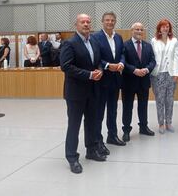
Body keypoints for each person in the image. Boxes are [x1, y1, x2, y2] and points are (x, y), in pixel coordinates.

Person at [60, 13, 106, 174]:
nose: (86, 24)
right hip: (76, 92)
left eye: (88, 22)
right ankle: (72, 157)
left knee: (92, 122)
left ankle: (91, 150)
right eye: (82, 22)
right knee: (74, 125)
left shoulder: (93, 40)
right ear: (76, 25)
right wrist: (89, 75)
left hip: (93, 90)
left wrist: (99, 70)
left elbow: (98, 60)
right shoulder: (69, 43)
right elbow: (66, 66)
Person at [91, 12, 125, 148]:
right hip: (102, 80)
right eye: (107, 20)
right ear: (102, 21)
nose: (110, 22)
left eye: (112, 20)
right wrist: (107, 66)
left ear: (115, 21)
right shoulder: (95, 37)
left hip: (116, 79)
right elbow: (95, 57)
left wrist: (121, 63)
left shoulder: (119, 37)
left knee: (113, 110)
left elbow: (122, 53)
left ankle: (112, 136)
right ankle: (98, 140)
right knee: (99, 112)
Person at [122, 22, 156, 141]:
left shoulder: (148, 46)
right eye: (137, 29)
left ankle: (143, 127)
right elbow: (123, 62)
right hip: (129, 82)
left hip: (144, 81)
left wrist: (146, 70)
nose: (139, 31)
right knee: (127, 107)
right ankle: (126, 130)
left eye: (141, 29)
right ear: (132, 31)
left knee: (143, 106)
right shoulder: (124, 45)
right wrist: (134, 70)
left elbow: (153, 61)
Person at [150, 19, 178, 134]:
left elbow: (176, 57)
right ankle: (161, 123)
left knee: (170, 99)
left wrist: (176, 73)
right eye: (163, 26)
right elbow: (151, 57)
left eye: (167, 26)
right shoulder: (153, 41)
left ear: (169, 28)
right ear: (159, 28)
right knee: (160, 100)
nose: (165, 28)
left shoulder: (174, 40)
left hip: (171, 74)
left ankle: (169, 122)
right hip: (158, 74)